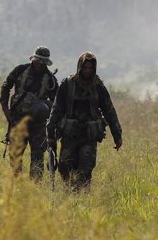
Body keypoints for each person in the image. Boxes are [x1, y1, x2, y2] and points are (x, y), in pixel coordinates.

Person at [46, 52, 122, 192]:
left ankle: (82, 201)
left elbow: (109, 111)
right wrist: (50, 135)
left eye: (90, 68)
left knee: (85, 170)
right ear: (80, 67)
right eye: (85, 67)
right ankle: (70, 196)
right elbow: (56, 110)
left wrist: (117, 135)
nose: (87, 71)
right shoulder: (68, 85)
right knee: (65, 167)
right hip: (70, 135)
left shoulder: (98, 86)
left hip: (89, 135)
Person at [0, 46, 59, 180]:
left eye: (42, 61)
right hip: (18, 120)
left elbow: (57, 102)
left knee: (37, 157)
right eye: (37, 60)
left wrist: (46, 109)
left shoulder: (50, 79)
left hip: (38, 125)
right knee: (15, 155)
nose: (39, 63)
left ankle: (34, 189)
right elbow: (6, 86)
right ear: (33, 59)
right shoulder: (20, 70)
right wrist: (5, 109)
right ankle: (16, 186)